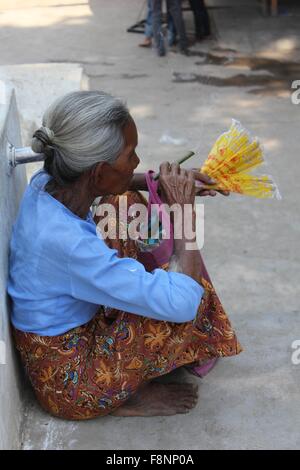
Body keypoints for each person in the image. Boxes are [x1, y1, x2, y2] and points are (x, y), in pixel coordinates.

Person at [8, 91, 241, 420]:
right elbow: (183, 303)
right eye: (130, 155)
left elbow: (111, 185)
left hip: (70, 331)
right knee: (187, 301)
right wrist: (184, 215)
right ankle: (121, 398)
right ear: (98, 172)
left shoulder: (49, 182)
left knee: (123, 203)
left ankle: (130, 373)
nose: (136, 162)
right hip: (70, 384)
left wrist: (153, 183)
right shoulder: (69, 243)